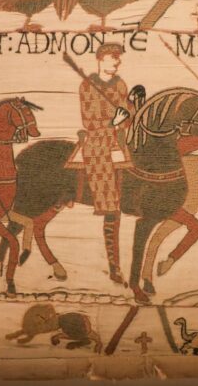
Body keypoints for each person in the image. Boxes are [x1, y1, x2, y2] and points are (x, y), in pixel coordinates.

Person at [78, 42, 143, 284]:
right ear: (100, 59)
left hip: (120, 139)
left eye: (118, 58)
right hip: (98, 142)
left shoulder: (120, 84)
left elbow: (126, 113)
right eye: (112, 57)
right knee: (111, 204)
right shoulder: (87, 85)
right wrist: (111, 122)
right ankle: (114, 265)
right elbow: (89, 121)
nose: (117, 61)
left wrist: (131, 109)